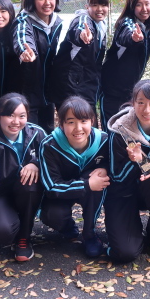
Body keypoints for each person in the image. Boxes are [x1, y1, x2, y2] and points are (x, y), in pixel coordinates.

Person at [105, 80, 150, 261]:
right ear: (133, 103)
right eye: (141, 103)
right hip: (124, 193)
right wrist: (136, 162)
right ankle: (128, 232)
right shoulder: (120, 131)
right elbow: (116, 176)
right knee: (125, 253)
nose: (147, 110)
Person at [0, 93, 46, 262]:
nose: (16, 122)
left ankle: (24, 237)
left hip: (26, 191)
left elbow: (50, 155)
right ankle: (3, 223)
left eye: (21, 116)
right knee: (2, 233)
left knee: (30, 183)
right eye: (10, 115)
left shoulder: (36, 133)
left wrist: (36, 163)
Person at [39, 96, 110, 257]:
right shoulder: (49, 145)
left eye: (83, 121)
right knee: (53, 215)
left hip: (91, 193)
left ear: (92, 121)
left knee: (99, 183)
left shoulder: (104, 140)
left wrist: (105, 168)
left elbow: (114, 164)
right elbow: (51, 187)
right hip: (62, 191)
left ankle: (89, 234)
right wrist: (85, 184)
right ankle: (68, 227)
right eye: (71, 122)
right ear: (61, 124)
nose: (78, 128)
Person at [12, 0, 64, 133]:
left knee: (47, 131)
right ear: (32, 0)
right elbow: (22, 38)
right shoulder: (23, 20)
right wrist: (25, 51)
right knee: (29, 133)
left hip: (47, 91)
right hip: (27, 90)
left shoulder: (56, 22)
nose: (47, 2)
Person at [100, 0, 150, 131]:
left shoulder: (147, 27)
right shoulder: (127, 23)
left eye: (147, 4)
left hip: (128, 90)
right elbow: (126, 34)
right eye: (139, 5)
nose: (144, 9)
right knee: (111, 129)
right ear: (131, 6)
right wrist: (134, 38)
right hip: (112, 90)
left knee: (125, 130)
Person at [53, 0, 109, 108]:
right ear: (87, 7)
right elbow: (80, 28)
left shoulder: (101, 25)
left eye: (104, 5)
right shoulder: (82, 19)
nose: (99, 9)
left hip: (87, 82)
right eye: (95, 5)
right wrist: (84, 35)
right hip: (71, 83)